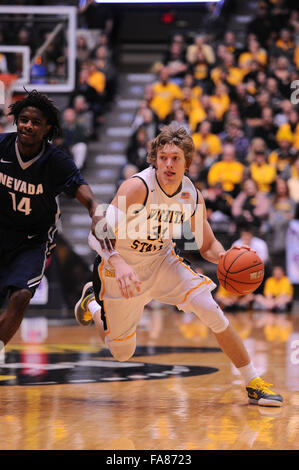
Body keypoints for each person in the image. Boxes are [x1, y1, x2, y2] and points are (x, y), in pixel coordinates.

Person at [74, 124, 283, 407]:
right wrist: (119, 262)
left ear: (188, 162)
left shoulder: (191, 195)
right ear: (155, 159)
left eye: (175, 158)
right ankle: (94, 305)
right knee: (121, 351)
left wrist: (226, 259)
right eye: (163, 158)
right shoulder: (137, 187)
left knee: (211, 310)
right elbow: (96, 233)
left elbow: (207, 245)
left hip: (162, 261)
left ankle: (253, 381)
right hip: (120, 268)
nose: (168, 164)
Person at [0, 90, 109, 348]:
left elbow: (87, 195)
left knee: (22, 296)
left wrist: (97, 214)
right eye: (24, 119)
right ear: (16, 120)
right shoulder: (2, 146)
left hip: (33, 240)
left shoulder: (57, 161)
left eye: (35, 122)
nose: (28, 125)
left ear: (47, 127)